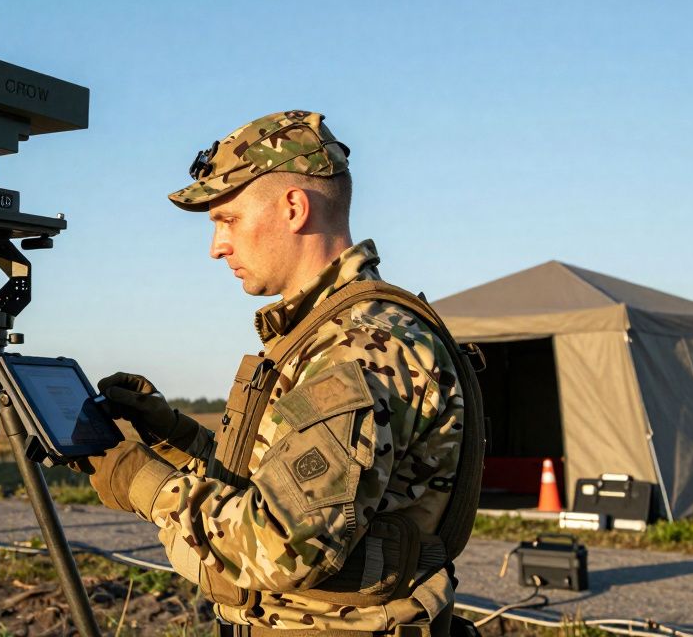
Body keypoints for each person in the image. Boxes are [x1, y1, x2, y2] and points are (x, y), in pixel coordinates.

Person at [76, 110, 483, 636]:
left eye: (228, 219)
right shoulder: (331, 332)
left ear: (293, 207)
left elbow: (280, 545)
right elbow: (276, 485)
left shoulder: (358, 348)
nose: (216, 246)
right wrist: (173, 437)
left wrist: (140, 481)